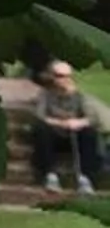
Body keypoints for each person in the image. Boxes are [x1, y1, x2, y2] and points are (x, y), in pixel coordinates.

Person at [32, 62, 104, 192]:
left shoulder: (79, 95)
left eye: (67, 76)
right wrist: (60, 123)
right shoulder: (45, 95)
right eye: (60, 76)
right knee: (41, 130)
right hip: (55, 134)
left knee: (89, 133)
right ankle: (50, 176)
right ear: (52, 77)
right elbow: (39, 116)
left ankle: (85, 177)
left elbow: (92, 117)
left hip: (74, 134)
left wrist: (78, 122)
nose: (64, 79)